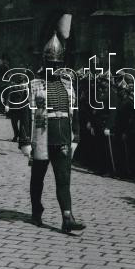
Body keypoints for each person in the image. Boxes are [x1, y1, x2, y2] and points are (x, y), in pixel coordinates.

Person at [19, 32, 85, 234]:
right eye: (51, 63)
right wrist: (25, 141)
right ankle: (36, 210)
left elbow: (74, 112)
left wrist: (76, 136)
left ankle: (67, 216)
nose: (55, 68)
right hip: (41, 137)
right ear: (44, 62)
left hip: (63, 137)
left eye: (58, 64)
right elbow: (26, 114)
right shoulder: (34, 84)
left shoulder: (67, 84)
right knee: (37, 177)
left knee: (63, 178)